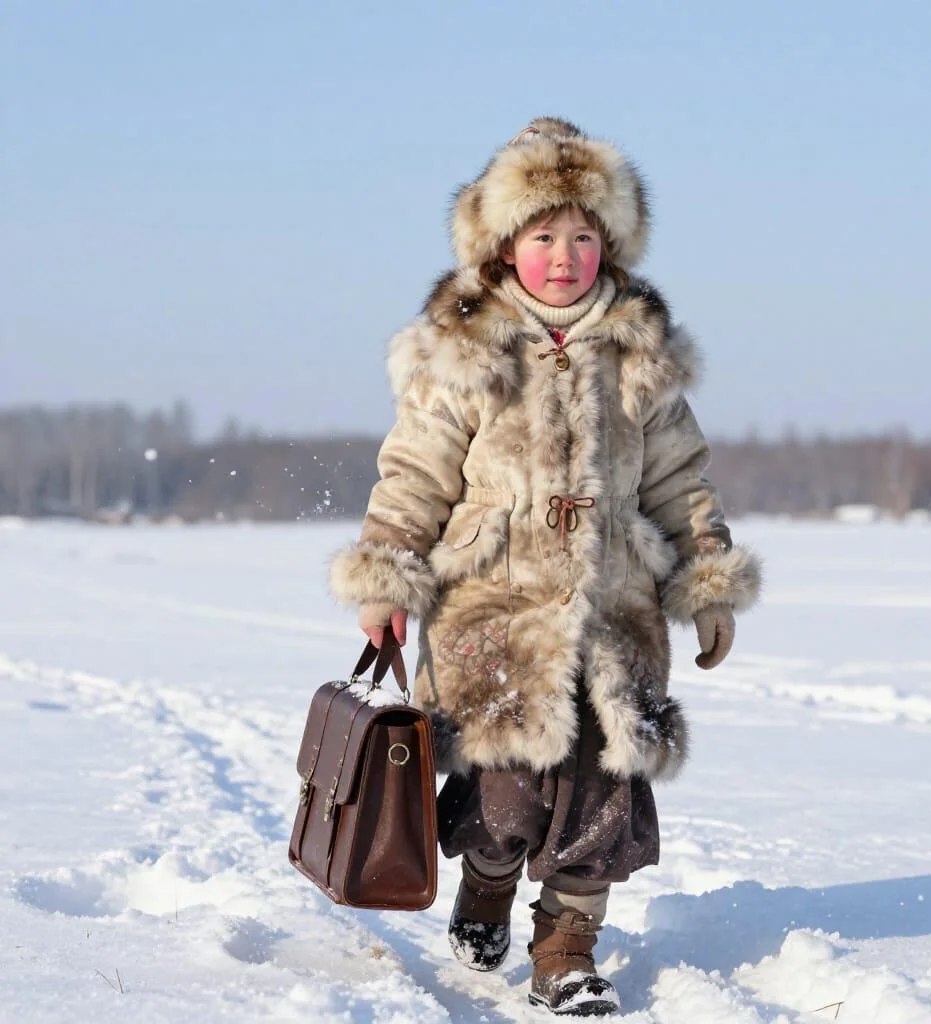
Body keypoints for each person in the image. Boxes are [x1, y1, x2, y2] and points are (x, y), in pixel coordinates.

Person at [330, 117, 762, 1017]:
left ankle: (567, 947)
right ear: (503, 243)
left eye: (583, 235)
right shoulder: (466, 346)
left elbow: (681, 479)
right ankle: (487, 880)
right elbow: (414, 473)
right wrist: (386, 578)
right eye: (542, 236)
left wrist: (708, 582)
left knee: (601, 793)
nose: (564, 255)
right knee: (503, 798)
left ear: (609, 242)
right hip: (490, 610)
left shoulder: (638, 348)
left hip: (617, 613)